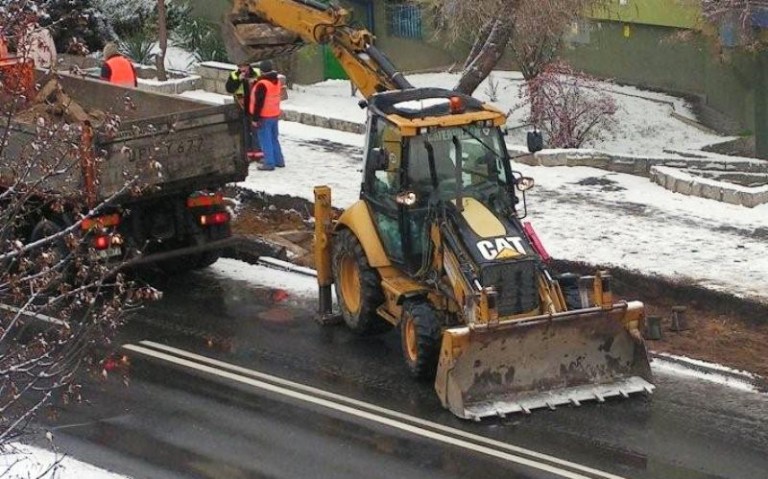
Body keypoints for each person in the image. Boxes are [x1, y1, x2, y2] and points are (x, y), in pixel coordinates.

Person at [248, 60, 284, 171]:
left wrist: (255, 118)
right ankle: (279, 161)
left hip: (264, 116)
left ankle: (269, 163)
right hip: (274, 114)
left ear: (261, 70)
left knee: (265, 140)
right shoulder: (276, 80)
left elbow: (259, 102)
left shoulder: (262, 84)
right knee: (274, 138)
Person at [226, 61, 262, 161]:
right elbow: (229, 89)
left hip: (254, 106)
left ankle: (258, 154)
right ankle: (248, 154)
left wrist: (255, 82)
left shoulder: (257, 73)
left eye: (244, 66)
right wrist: (238, 80)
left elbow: (262, 88)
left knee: (255, 131)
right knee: (245, 131)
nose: (242, 69)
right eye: (240, 67)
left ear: (248, 65)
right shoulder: (234, 75)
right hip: (241, 106)